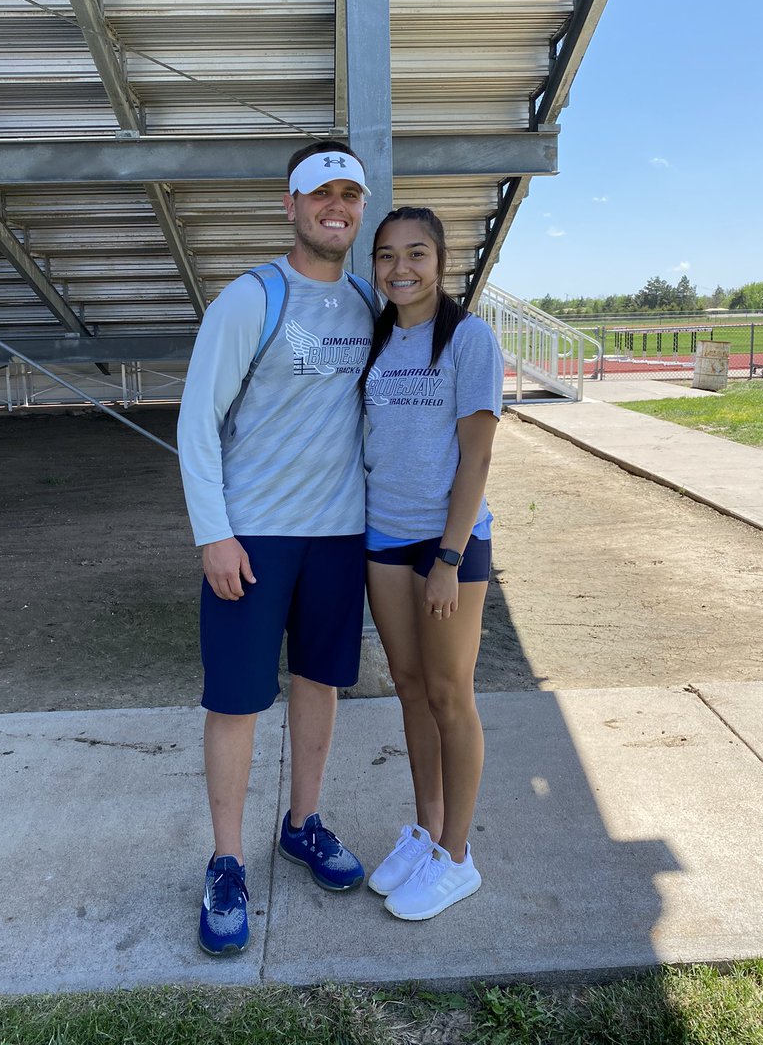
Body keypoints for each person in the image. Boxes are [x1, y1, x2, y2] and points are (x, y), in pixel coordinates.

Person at [177, 140, 377, 956]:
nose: (338, 207)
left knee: (320, 685)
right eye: (321, 193)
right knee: (234, 701)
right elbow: (196, 423)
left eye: (350, 195)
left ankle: (303, 824)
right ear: (290, 206)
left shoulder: (369, 302)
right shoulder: (250, 299)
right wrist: (213, 533)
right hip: (253, 536)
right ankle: (227, 861)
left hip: (339, 535)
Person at [360, 206, 504, 921]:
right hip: (383, 536)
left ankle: (457, 856)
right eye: (386, 256)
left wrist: (449, 556)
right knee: (410, 688)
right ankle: (425, 830)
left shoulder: (469, 340)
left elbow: (476, 456)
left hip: (447, 544)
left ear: (440, 261)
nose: (401, 269)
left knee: (451, 694)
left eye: (415, 253)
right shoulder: (379, 338)